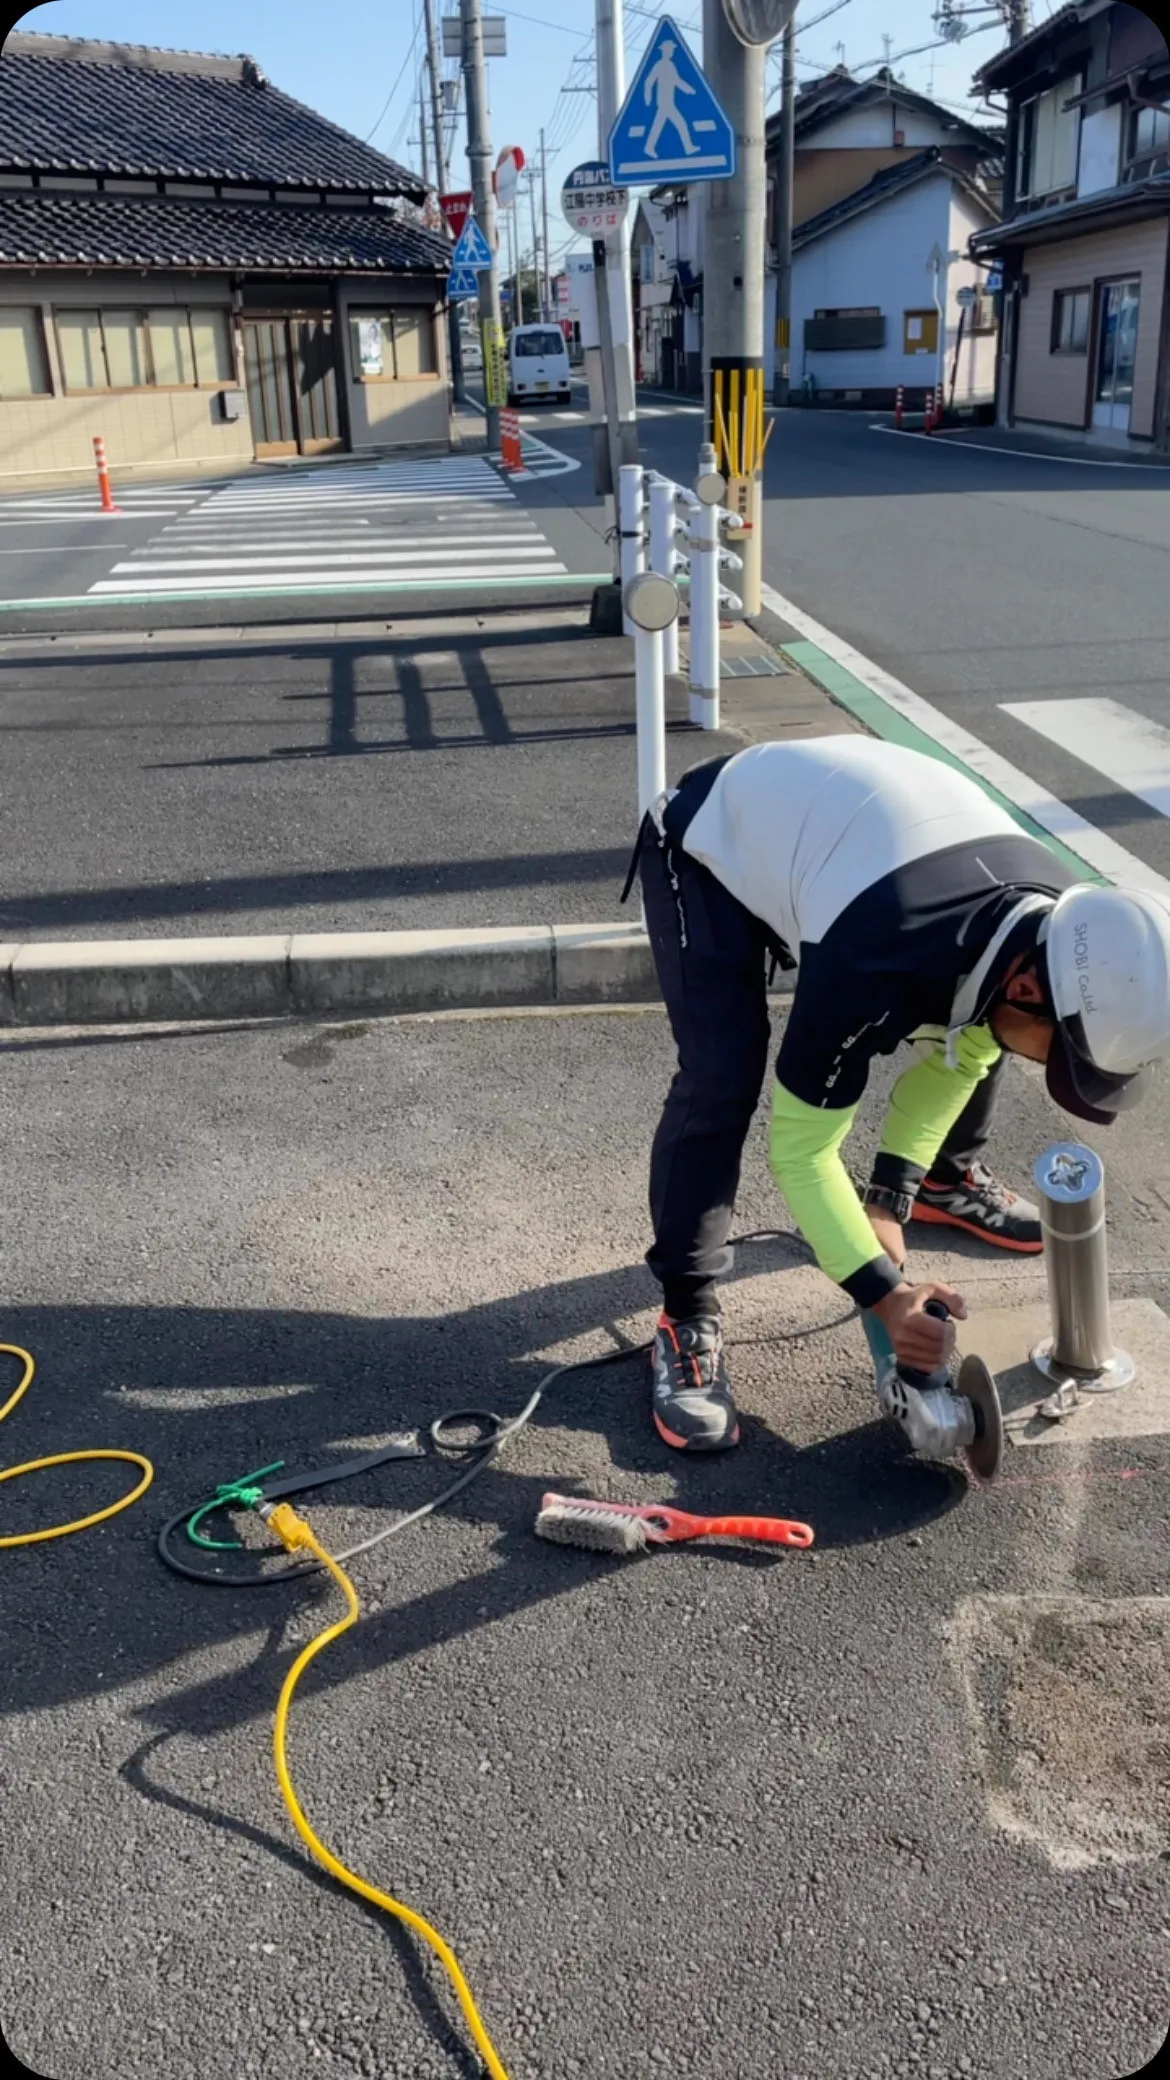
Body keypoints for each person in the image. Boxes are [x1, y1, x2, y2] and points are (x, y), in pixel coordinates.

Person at [627, 737, 1170, 1453]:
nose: (1059, 1069)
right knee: (722, 1078)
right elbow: (802, 1149)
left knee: (985, 1033)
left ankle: (936, 1182)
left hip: (848, 844)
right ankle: (684, 1313)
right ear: (1029, 987)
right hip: (711, 844)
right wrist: (884, 1295)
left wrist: (889, 1197)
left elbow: (967, 1053)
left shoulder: (1058, 928)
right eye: (1064, 1054)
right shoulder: (875, 963)